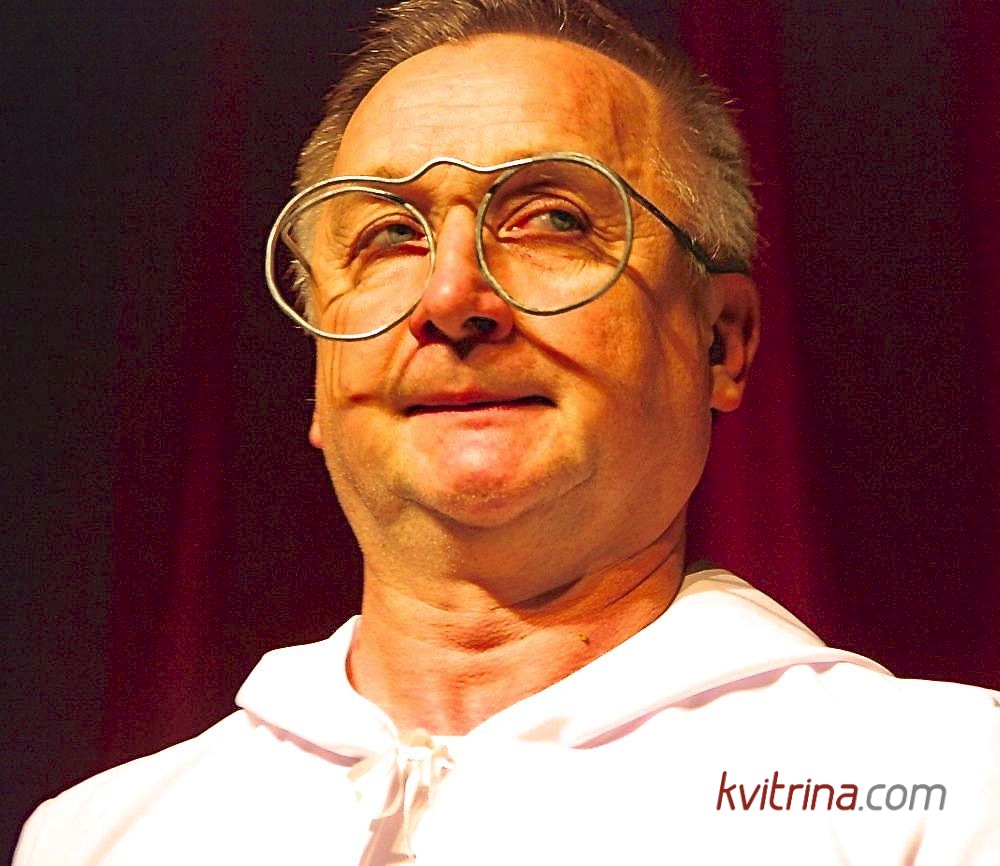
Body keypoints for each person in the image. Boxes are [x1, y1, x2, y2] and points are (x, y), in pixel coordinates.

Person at [14, 1, 1000, 863]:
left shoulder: (942, 793)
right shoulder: (99, 839)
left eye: (551, 218)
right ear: (318, 378)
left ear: (721, 342)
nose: (452, 298)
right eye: (388, 235)